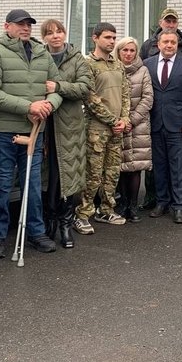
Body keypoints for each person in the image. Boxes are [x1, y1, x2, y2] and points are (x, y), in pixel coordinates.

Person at [0, 9, 63, 259]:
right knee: (2, 185)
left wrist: (50, 104)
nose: (25, 28)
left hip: (35, 131)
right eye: (20, 24)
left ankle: (36, 232)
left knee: (33, 184)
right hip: (5, 131)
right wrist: (28, 106)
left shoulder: (41, 53)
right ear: (7, 26)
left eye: (28, 24)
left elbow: (56, 87)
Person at [137, 7, 182, 213]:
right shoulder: (147, 64)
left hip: (178, 126)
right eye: (165, 42)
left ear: (176, 45)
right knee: (159, 166)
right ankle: (162, 202)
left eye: (172, 42)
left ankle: (178, 205)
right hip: (154, 124)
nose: (169, 45)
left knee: (177, 167)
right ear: (159, 44)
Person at [39, 19, 92, 248]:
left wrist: (58, 87)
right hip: (43, 125)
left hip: (69, 127)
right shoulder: (38, 57)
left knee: (67, 176)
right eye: (50, 33)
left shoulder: (77, 58)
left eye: (59, 31)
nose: (55, 36)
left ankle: (65, 225)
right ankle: (48, 222)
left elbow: (84, 87)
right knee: (47, 177)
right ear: (44, 37)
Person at [75, 22, 130, 233]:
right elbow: (90, 98)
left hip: (117, 129)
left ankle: (106, 210)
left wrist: (123, 119)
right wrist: (112, 120)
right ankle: (83, 213)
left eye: (114, 38)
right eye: (108, 37)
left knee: (112, 172)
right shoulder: (87, 64)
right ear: (95, 38)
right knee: (93, 173)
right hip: (97, 129)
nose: (112, 41)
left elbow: (125, 94)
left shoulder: (117, 65)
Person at [113, 37, 154, 223]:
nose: (128, 54)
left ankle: (133, 205)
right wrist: (119, 120)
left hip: (138, 125)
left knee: (136, 167)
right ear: (119, 52)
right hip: (117, 125)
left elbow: (148, 98)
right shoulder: (113, 69)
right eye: (125, 50)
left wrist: (131, 119)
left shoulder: (143, 70)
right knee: (121, 166)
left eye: (132, 50)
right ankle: (122, 204)